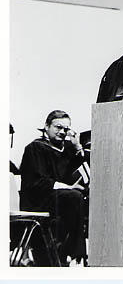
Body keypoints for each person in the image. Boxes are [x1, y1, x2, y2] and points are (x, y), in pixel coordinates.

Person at [19, 110, 89, 266]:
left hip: (60, 199)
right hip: (38, 200)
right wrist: (68, 188)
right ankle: (77, 256)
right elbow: (38, 182)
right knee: (74, 197)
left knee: (85, 196)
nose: (62, 132)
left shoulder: (68, 150)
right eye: (58, 127)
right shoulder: (35, 148)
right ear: (46, 126)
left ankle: (69, 253)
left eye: (66, 129)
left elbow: (85, 175)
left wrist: (78, 148)